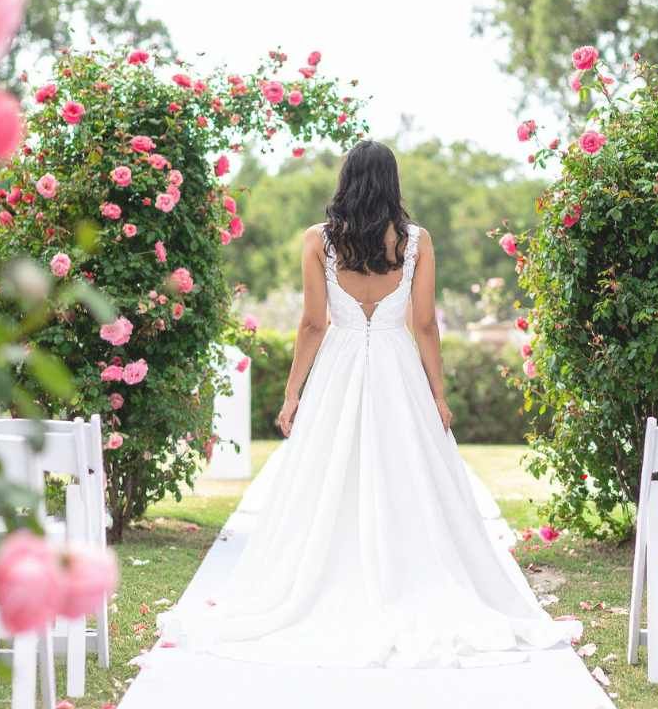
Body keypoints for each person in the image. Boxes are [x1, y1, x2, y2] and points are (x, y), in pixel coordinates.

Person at [156, 140, 578, 668]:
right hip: (400, 369)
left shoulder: (319, 240)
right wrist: (438, 396)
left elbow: (314, 324)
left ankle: (326, 579)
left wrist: (293, 394)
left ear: (347, 181)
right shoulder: (417, 242)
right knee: (410, 475)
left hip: (338, 367)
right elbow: (424, 324)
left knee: (325, 476)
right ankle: (411, 575)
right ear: (392, 182)